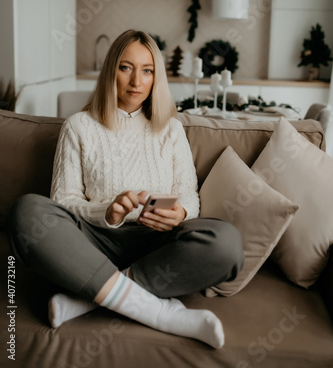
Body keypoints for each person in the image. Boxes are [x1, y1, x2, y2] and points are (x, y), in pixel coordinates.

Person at [8, 30, 243, 349]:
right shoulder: (79, 126)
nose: (137, 81)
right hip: (92, 242)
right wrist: (107, 211)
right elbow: (63, 201)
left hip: (156, 244)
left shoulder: (171, 129)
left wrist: (180, 214)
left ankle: (90, 299)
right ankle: (161, 313)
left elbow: (189, 195)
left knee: (226, 243)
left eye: (147, 70)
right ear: (110, 71)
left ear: (156, 77)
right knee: (27, 212)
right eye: (125, 67)